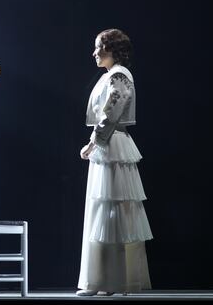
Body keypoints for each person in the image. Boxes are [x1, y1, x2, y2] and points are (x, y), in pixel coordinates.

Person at [76, 29, 153, 296]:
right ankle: (103, 280)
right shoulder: (109, 75)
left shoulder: (119, 74)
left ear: (111, 49)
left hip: (113, 144)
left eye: (99, 47)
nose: (94, 53)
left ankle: (114, 280)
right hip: (107, 143)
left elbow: (111, 113)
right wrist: (95, 140)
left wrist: (93, 142)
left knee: (114, 211)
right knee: (103, 212)